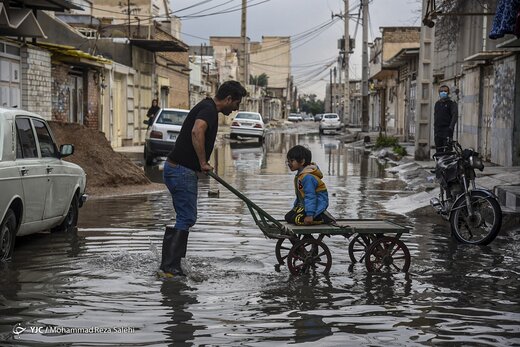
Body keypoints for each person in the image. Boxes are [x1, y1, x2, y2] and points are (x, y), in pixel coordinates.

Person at [159, 80, 247, 278]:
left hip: (178, 169)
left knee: (185, 217)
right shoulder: (208, 110)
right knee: (187, 217)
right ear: (228, 99)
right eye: (236, 104)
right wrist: (202, 163)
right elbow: (196, 131)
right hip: (181, 170)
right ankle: (170, 268)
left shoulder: (206, 107)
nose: (236, 109)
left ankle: (170, 265)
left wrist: (201, 163)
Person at [284, 145, 335, 226]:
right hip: (305, 205)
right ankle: (313, 216)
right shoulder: (300, 176)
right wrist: (295, 208)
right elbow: (300, 196)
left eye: (292, 161)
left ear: (302, 161)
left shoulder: (308, 177)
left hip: (316, 205)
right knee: (288, 217)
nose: (289, 163)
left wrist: (310, 215)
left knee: (298, 220)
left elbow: (310, 196)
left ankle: (323, 217)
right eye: (288, 161)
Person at [433, 85, 458, 153]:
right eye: (441, 91)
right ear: (439, 93)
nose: (443, 92)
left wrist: (451, 128)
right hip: (438, 131)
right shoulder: (437, 103)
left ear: (448, 92)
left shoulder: (451, 103)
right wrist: (435, 129)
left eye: (445, 91)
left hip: (447, 130)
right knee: (438, 150)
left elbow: (454, 116)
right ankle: (439, 163)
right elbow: (435, 116)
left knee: (447, 150)